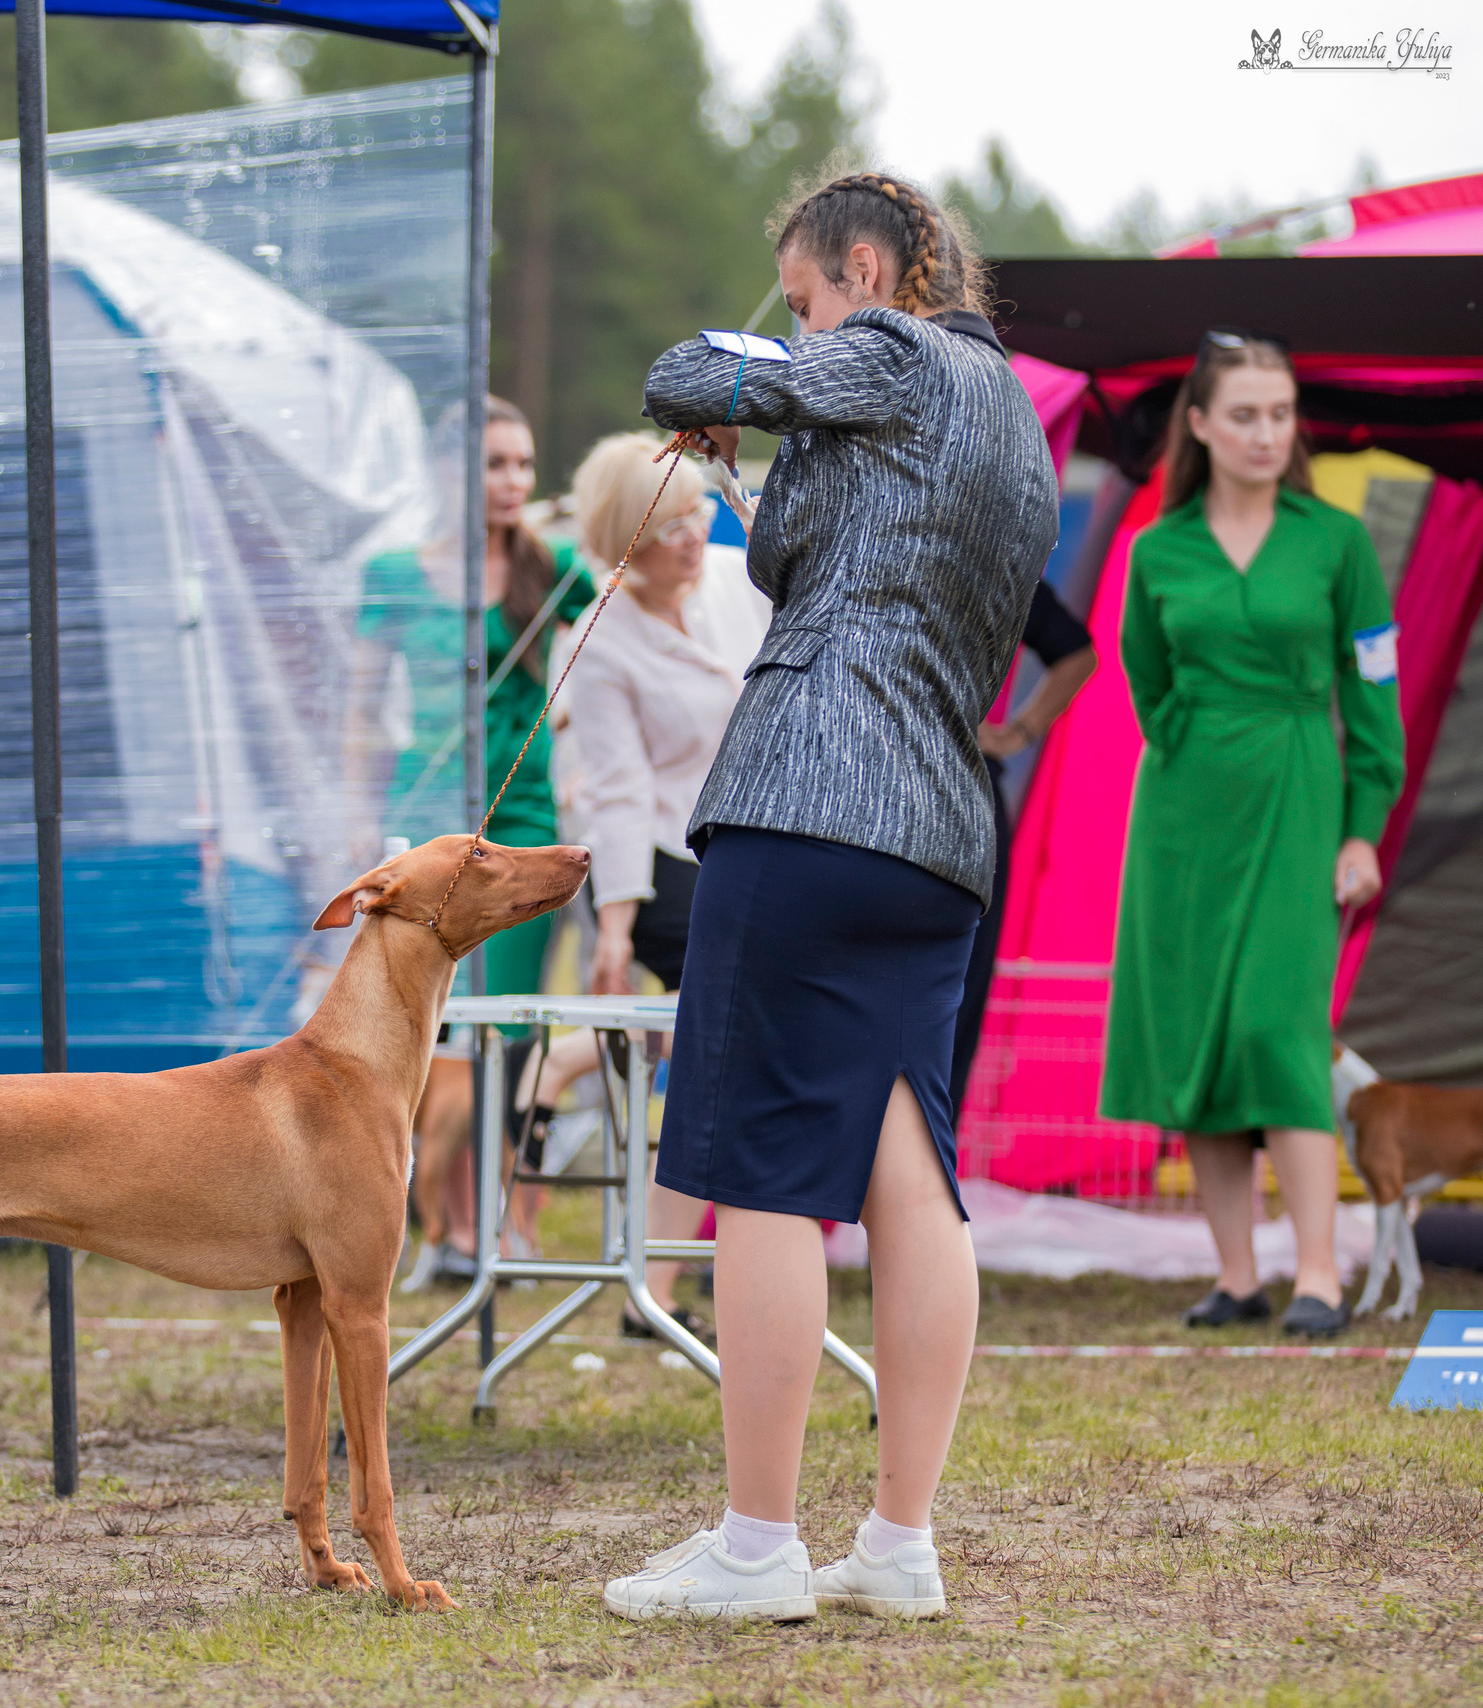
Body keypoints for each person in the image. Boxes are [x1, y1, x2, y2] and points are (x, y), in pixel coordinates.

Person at [601, 170, 1058, 1624]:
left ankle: (753, 1547)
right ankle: (899, 1543)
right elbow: (843, 548)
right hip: (938, 824)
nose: (800, 327)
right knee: (909, 1171)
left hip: (805, 798)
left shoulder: (898, 350)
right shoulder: (1023, 435)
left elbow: (688, 369)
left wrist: (742, 380)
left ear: (866, 268)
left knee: (764, 1176)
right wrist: (761, 459)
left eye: (803, 300)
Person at [1100, 329, 1402, 1339]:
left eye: (1280, 413)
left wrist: (1361, 828)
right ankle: (1237, 1276)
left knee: (1280, 1033)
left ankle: (1316, 1274)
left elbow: (1376, 695)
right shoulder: (1155, 547)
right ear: (1198, 425)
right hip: (1181, 816)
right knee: (1202, 1041)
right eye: (1244, 414)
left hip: (1300, 800)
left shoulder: (1337, 542)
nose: (1266, 432)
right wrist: (1191, 749)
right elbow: (1145, 677)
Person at [352, 397, 595, 1289]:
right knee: (427, 1032)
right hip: (427, 828)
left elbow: (620, 621)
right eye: (497, 464)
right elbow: (358, 714)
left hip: (524, 825)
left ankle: (497, 1229)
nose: (516, 483)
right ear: (452, 471)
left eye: (526, 466)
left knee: (505, 1029)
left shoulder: (553, 566)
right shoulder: (395, 573)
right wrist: (354, 821)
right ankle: (442, 1227)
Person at [541, 430, 772, 1317]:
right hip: (668, 859)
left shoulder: (733, 577)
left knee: (722, 1055)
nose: (691, 534)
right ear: (622, 539)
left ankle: (654, 1281)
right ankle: (657, 1279)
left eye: (696, 510)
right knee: (729, 1035)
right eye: (667, 523)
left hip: (755, 836)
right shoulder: (595, 638)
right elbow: (620, 791)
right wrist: (614, 929)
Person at [949, 581, 1096, 1120]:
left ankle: (923, 1167)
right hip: (887, 785)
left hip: (964, 791)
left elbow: (1077, 653)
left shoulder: (998, 554)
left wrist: (1018, 732)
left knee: (955, 997)